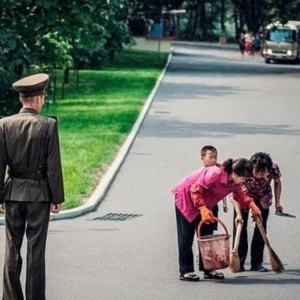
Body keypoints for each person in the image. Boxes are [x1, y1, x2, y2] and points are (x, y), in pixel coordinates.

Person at [0, 73, 65, 300]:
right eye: (43, 96)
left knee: (11, 248)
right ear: (37, 99)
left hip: (13, 193)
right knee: (36, 250)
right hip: (39, 195)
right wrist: (56, 196)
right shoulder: (48, 125)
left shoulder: (4, 124)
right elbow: (53, 165)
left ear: (22, 100)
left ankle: (10, 297)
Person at [171, 158, 262, 282]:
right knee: (186, 236)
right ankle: (186, 270)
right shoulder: (215, 173)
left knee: (207, 236)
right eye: (243, 178)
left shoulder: (236, 182)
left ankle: (208, 268)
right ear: (234, 173)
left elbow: (239, 194)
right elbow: (195, 189)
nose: (244, 181)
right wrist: (202, 208)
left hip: (206, 202)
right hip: (186, 198)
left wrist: (252, 205)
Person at [232, 152, 282, 272]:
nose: (259, 175)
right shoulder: (245, 170)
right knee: (240, 228)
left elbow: (277, 182)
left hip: (263, 197)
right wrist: (238, 214)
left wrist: (277, 203)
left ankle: (257, 263)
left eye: (263, 172)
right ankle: (240, 262)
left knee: (261, 229)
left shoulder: (273, 168)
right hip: (244, 196)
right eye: (256, 171)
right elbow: (235, 194)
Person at [200, 145, 228, 231]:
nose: (214, 160)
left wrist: (224, 203)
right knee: (201, 228)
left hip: (213, 203)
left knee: (209, 230)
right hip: (203, 203)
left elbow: (224, 188)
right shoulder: (201, 173)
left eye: (215, 157)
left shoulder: (219, 171)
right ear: (202, 158)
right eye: (210, 157)